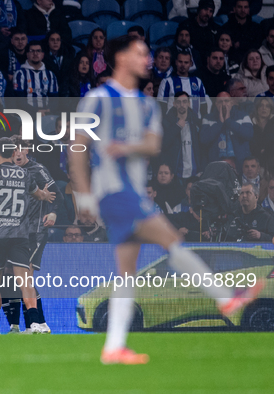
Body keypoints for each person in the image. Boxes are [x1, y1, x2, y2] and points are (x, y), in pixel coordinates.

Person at [70, 35, 262, 365]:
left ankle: (113, 346)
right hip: (114, 192)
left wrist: (126, 147)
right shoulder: (99, 98)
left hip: (130, 190)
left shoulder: (147, 104)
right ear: (120, 57)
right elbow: (77, 146)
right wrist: (85, 195)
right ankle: (226, 299)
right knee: (171, 240)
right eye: (140, 53)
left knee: (127, 271)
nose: (147, 58)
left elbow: (153, 145)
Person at [0, 137, 55, 335]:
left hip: (14, 234)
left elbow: (53, 193)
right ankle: (26, 325)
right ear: (13, 153)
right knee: (19, 280)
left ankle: (19, 325)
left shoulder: (1, 172)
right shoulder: (18, 174)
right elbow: (40, 194)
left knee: (7, 281)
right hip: (16, 234)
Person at [8, 137, 63, 333]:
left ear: (27, 150)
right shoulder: (7, 172)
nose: (18, 152)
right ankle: (40, 323)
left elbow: (57, 194)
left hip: (35, 232)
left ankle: (35, 324)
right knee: (22, 280)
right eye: (14, 149)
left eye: (21, 148)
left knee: (25, 277)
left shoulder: (37, 170)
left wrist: (53, 212)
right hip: (15, 234)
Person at [200, 92, 253, 171]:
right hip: (216, 165)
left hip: (239, 164)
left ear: (232, 103)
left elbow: (249, 135)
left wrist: (229, 121)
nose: (223, 104)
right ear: (216, 104)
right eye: (220, 102)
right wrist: (219, 123)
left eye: (226, 101)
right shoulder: (207, 118)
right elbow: (203, 140)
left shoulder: (243, 115)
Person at [160, 92, 203, 179]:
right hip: (175, 173)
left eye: (184, 102)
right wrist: (177, 127)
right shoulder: (167, 123)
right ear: (174, 104)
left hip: (194, 173)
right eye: (178, 102)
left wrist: (201, 169)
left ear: (189, 104)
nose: (182, 105)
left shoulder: (196, 123)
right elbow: (163, 144)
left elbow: (203, 147)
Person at [157, 52, 209, 117]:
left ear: (191, 63)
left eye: (186, 62)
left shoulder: (198, 82)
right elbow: (161, 106)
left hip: (195, 124)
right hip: (173, 123)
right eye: (180, 62)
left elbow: (203, 105)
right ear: (176, 62)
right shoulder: (166, 82)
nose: (183, 65)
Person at [13, 40, 59, 108]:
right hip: (26, 115)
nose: (35, 53)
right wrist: (36, 112)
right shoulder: (20, 74)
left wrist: (46, 111)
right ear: (27, 54)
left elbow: (54, 100)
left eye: (38, 51)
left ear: (42, 55)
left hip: (47, 114)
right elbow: (19, 100)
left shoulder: (50, 75)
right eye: (32, 51)